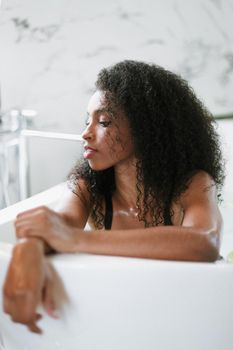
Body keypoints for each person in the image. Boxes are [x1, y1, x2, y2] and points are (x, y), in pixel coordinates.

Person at [3, 60, 225, 333]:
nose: (85, 133)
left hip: (191, 310)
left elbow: (204, 242)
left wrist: (73, 239)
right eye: (88, 121)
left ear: (147, 129)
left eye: (104, 121)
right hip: (124, 308)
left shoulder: (192, 183)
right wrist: (29, 248)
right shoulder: (87, 186)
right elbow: (56, 224)